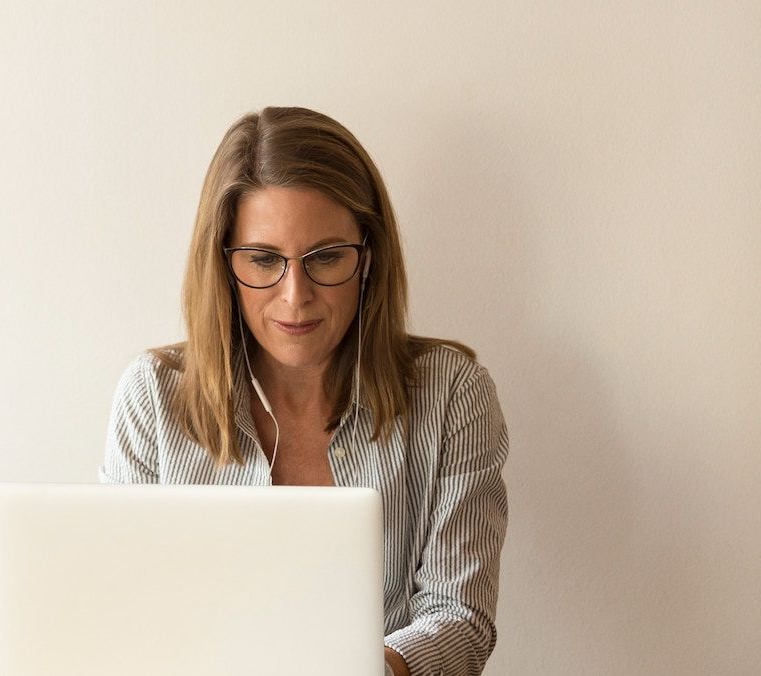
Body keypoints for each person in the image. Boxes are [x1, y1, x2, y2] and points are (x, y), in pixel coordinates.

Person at [99, 106, 509, 676]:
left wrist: (373, 669)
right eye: (264, 259)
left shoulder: (450, 393)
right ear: (222, 264)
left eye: (326, 258)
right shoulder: (153, 399)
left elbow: (460, 617)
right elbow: (121, 613)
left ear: (368, 256)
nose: (296, 296)